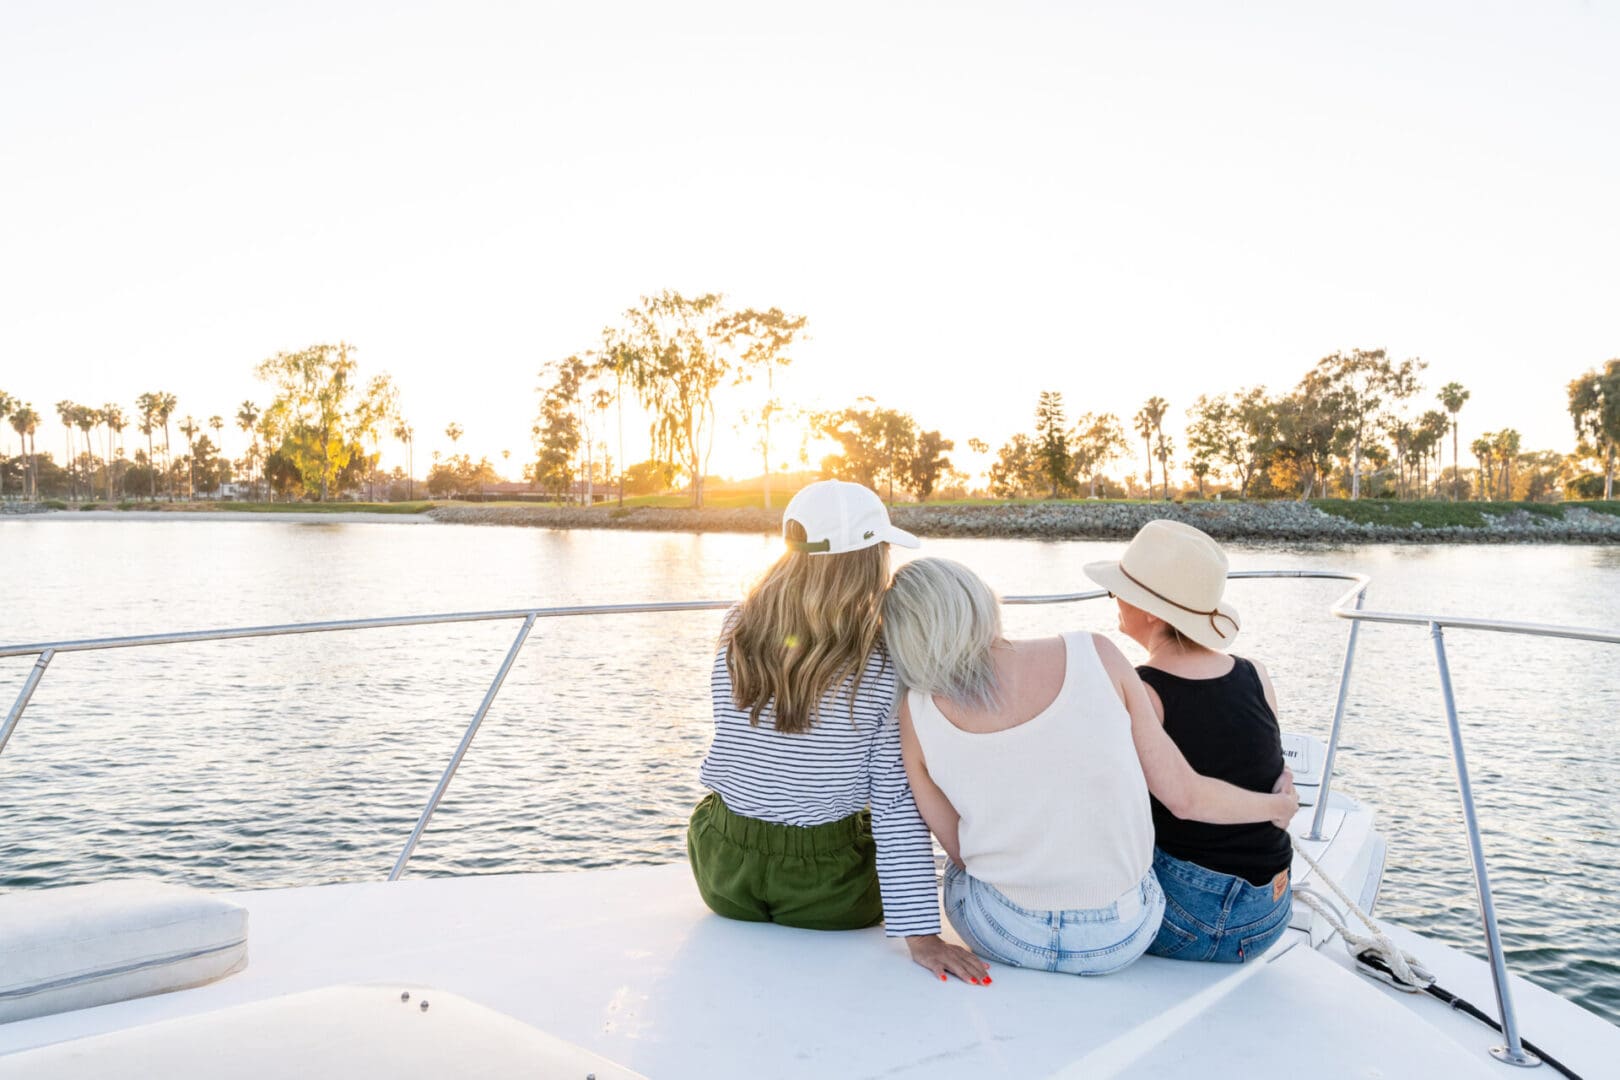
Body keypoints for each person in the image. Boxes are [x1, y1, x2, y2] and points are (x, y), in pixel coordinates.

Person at [881, 556, 1297, 976]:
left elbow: (963, 854)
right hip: (1120, 938)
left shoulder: (913, 712)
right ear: (980, 602)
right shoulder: (1094, 652)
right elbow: (1181, 790)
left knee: (957, 871)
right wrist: (1276, 807)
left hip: (1003, 932)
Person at [688, 480, 990, 984]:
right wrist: (922, 935)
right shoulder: (882, 663)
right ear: (870, 559)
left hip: (722, 869)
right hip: (826, 889)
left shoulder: (737, 628)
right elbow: (894, 804)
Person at [1085, 519, 1295, 963]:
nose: (1114, 599)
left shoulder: (1144, 692)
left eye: (1119, 590)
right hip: (1272, 911)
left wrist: (1277, 807)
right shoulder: (1255, 672)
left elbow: (1184, 800)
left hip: (1193, 918)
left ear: (1150, 610)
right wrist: (1278, 804)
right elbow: (1272, 769)